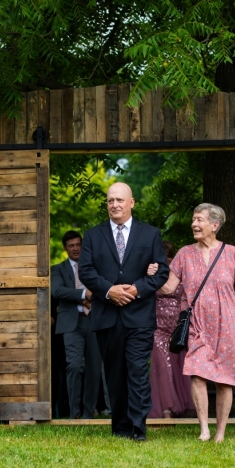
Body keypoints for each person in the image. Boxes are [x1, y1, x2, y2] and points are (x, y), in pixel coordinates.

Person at [155, 203, 235, 442]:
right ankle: (204, 429)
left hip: (227, 324)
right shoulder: (184, 254)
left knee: (224, 379)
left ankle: (220, 432)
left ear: (215, 225)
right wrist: (154, 274)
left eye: (199, 220)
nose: (194, 224)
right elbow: (169, 287)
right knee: (197, 373)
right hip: (196, 325)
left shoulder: (232, 253)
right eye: (193, 219)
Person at [78, 182, 169, 441]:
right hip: (107, 316)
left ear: (131, 203)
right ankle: (120, 428)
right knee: (115, 375)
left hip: (139, 315)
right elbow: (86, 271)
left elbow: (161, 271)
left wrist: (136, 289)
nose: (114, 205)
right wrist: (110, 291)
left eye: (119, 200)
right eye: (110, 201)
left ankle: (139, 429)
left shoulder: (150, 234)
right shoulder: (93, 236)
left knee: (138, 371)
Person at [50, 230, 101, 419]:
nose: (76, 248)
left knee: (95, 369)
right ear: (65, 248)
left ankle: (89, 414)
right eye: (71, 245)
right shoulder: (58, 269)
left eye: (78, 244)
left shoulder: (93, 267)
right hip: (72, 324)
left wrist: (91, 299)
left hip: (94, 321)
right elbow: (57, 290)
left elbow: (102, 288)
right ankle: (74, 414)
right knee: (75, 366)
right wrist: (83, 295)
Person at [149, 241, 195, 419]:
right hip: (158, 327)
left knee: (179, 366)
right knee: (163, 366)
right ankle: (166, 410)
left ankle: (182, 407)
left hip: (177, 327)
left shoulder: (181, 274)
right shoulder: (152, 275)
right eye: (163, 259)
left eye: (169, 258)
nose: (167, 262)